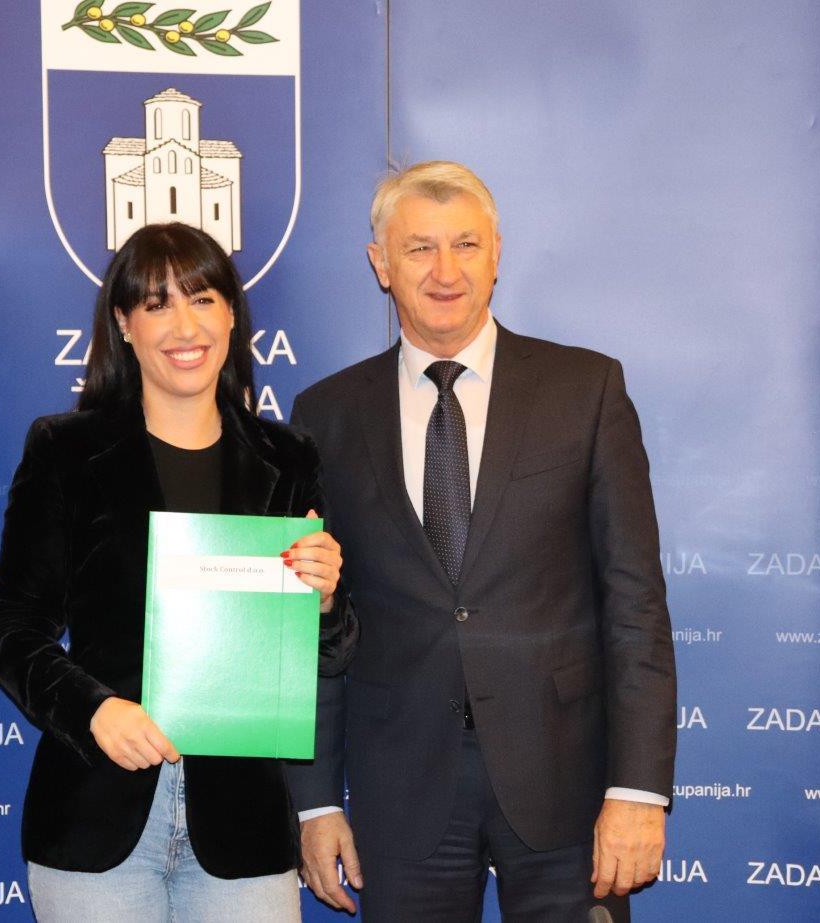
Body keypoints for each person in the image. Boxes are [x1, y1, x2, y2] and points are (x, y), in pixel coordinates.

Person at [285, 161, 677, 921]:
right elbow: (316, 621)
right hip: (401, 787)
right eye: (419, 248)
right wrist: (315, 802)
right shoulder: (325, 413)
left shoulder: (585, 390)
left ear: (496, 254)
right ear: (380, 264)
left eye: (465, 244)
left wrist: (637, 789)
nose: (446, 271)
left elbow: (635, 602)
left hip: (566, 780)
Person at [0, 222, 357, 921]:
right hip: (97, 815)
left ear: (231, 315)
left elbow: (329, 655)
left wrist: (325, 601)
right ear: (124, 324)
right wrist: (95, 711)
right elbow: (14, 631)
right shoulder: (66, 451)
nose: (185, 326)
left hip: (244, 827)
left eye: (202, 299)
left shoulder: (287, 457)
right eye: (157, 305)